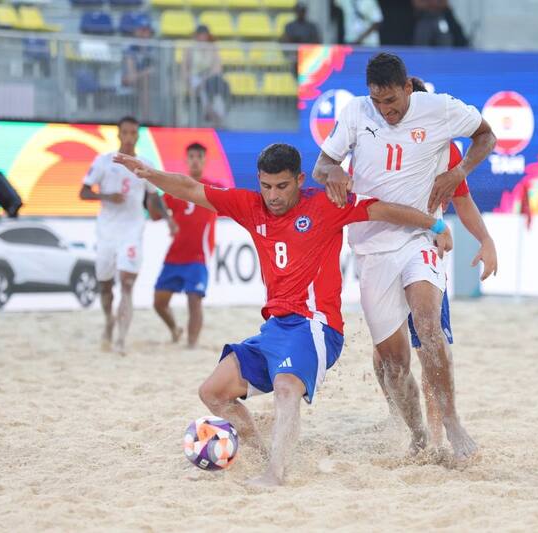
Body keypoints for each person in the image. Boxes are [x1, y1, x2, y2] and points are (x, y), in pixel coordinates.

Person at [113, 143, 451, 486]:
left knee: (286, 388)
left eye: (282, 186)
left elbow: (383, 210)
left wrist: (435, 226)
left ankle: (275, 473)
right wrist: (150, 174)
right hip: (275, 328)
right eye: (266, 186)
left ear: (300, 180)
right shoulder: (250, 206)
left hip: (316, 325)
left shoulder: (327, 204)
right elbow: (190, 188)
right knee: (212, 392)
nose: (273, 196)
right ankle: (263, 456)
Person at [312, 52, 496, 460]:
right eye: (377, 101)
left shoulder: (439, 109)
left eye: (392, 100)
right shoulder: (356, 112)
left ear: (408, 88)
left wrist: (459, 172)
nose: (385, 110)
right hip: (371, 248)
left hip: (420, 237)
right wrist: (334, 172)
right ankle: (417, 435)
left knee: (428, 325)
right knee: (392, 362)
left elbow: (486, 136)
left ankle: (451, 421)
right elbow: (320, 166)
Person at [374, 76, 498, 443]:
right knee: (384, 354)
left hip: (423, 252)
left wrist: (486, 239)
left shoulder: (445, 149)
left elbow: (463, 199)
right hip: (383, 254)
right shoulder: (378, 145)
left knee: (429, 339)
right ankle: (400, 417)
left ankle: (439, 430)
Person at [79, 116, 167, 355]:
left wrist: (165, 218)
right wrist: (107, 196)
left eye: (133, 133)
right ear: (118, 134)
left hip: (132, 231)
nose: (129, 137)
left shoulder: (145, 164)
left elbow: (153, 195)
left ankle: (121, 339)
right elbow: (83, 192)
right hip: (107, 232)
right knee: (105, 285)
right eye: (125, 132)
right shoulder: (104, 161)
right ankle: (109, 321)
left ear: (138, 135)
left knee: (127, 283)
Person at [153, 142, 217, 348]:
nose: (195, 160)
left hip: (199, 256)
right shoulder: (176, 188)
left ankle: (192, 345)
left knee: (194, 300)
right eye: (192, 157)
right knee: (159, 303)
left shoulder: (213, 188)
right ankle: (175, 329)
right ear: (186, 160)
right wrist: (151, 194)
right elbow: (154, 214)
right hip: (176, 254)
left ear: (205, 160)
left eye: (199, 156)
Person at [182, 25, 229, 128]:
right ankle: (215, 118)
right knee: (203, 90)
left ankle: (215, 117)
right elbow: (185, 69)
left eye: (204, 35)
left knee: (214, 90)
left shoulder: (213, 48)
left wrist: (205, 79)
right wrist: (188, 83)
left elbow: (217, 68)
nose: (203, 37)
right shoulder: (190, 49)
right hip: (194, 78)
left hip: (208, 79)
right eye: (201, 34)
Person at [121, 24, 155, 123]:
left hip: (149, 83)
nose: (144, 34)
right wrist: (145, 72)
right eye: (141, 31)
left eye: (146, 31)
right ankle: (145, 118)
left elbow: (156, 70)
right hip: (128, 80)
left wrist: (144, 74)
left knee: (145, 81)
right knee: (144, 79)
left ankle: (145, 119)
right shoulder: (130, 49)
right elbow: (131, 76)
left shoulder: (154, 48)